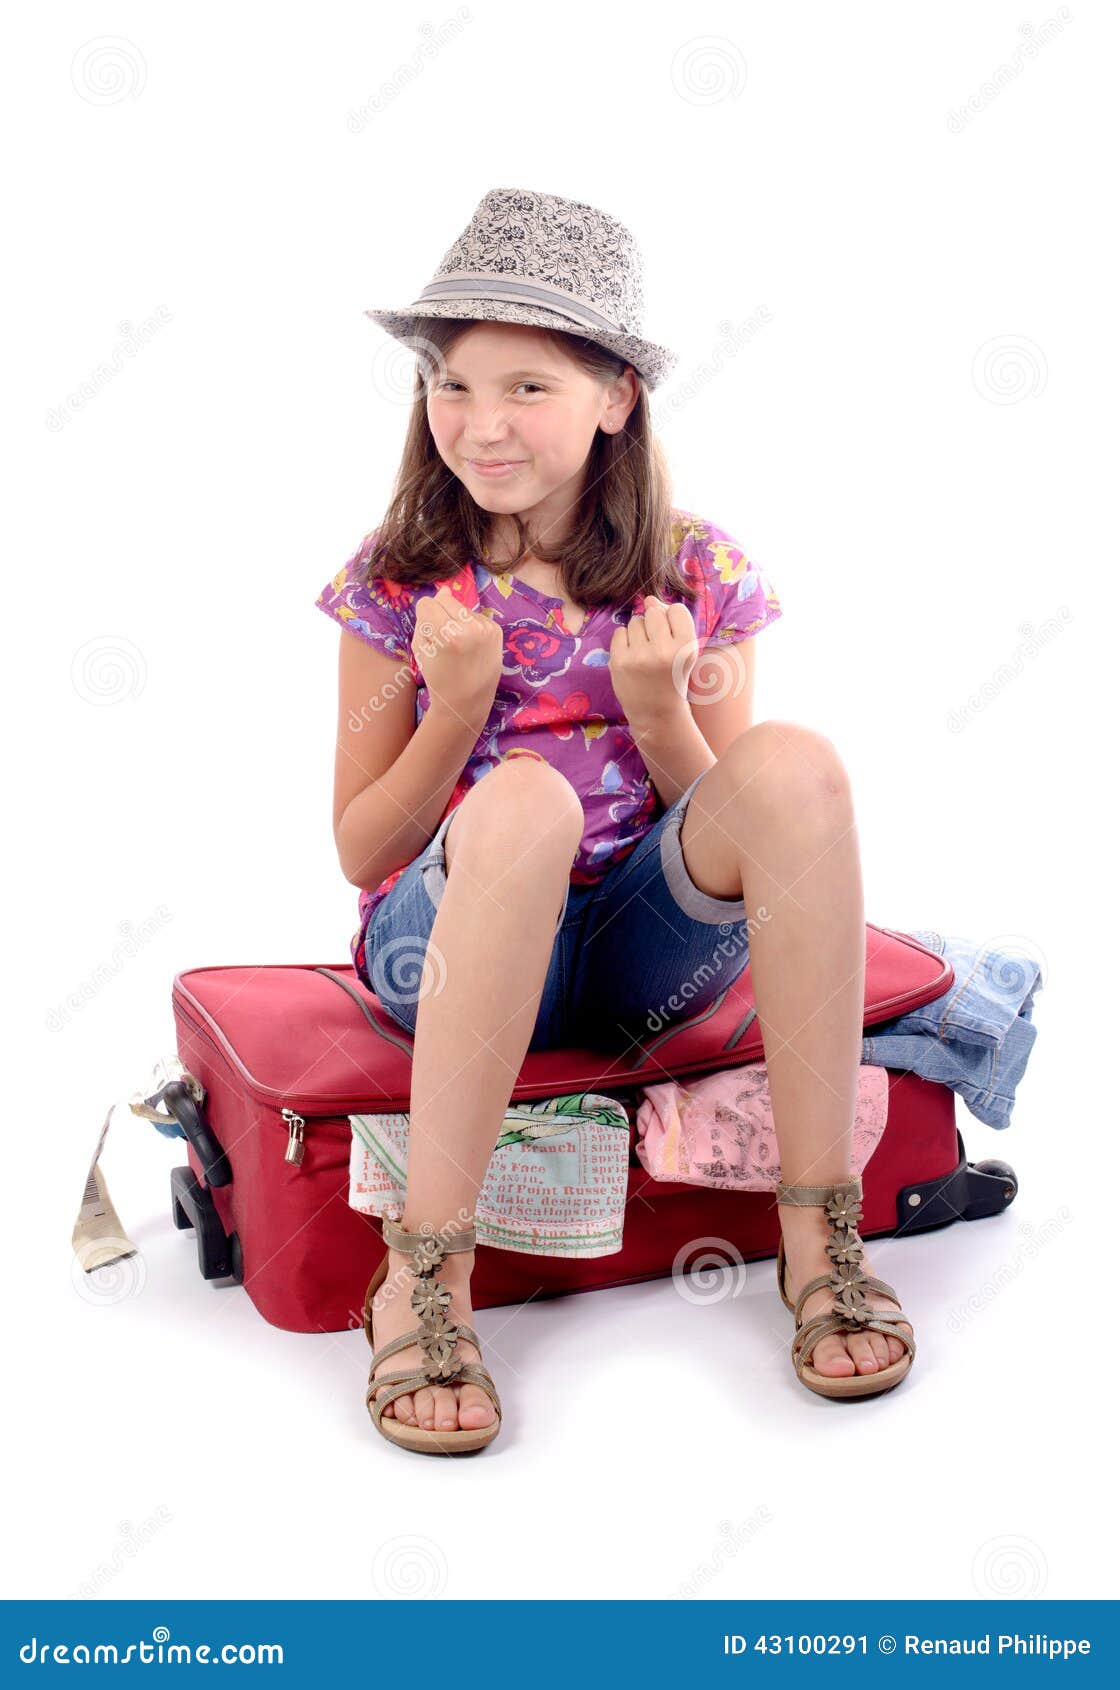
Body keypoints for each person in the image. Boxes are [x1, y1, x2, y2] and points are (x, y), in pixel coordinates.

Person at [315, 187, 916, 1454]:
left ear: (615, 397)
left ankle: (820, 1229)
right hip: (453, 956)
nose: (481, 424)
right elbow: (363, 851)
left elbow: (757, 830)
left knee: (796, 763)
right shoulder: (399, 579)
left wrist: (658, 714)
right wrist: (454, 707)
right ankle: (424, 1273)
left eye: (527, 386)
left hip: (645, 960)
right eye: (454, 385)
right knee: (522, 798)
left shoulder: (696, 572)